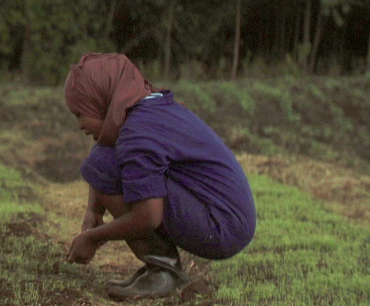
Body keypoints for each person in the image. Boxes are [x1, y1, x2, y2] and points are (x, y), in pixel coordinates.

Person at [63, 53, 256, 300]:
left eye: (80, 112)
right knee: (102, 157)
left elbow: (148, 216)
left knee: (103, 162)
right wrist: (94, 212)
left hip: (222, 226)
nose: (79, 124)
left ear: (101, 99)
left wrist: (92, 237)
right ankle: (160, 267)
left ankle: (162, 270)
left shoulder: (138, 131)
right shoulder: (148, 107)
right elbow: (104, 153)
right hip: (229, 218)